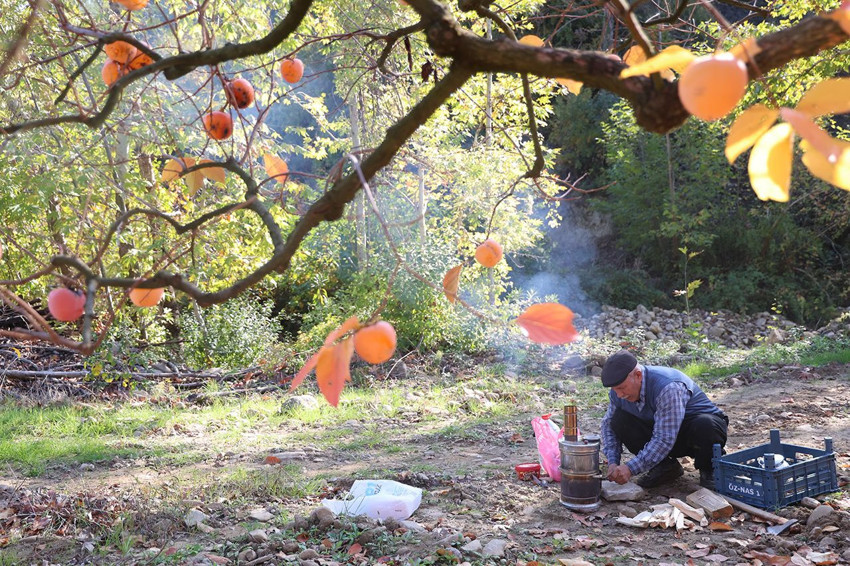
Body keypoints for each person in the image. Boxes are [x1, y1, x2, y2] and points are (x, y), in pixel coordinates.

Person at [599, 350, 728, 489]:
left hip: (694, 434)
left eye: (622, 388)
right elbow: (608, 425)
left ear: (638, 375)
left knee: (705, 424)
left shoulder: (668, 387)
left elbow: (664, 439)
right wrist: (613, 462)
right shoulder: (617, 392)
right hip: (663, 431)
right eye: (615, 390)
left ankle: (709, 469)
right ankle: (665, 467)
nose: (619, 394)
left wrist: (630, 468)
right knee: (619, 420)